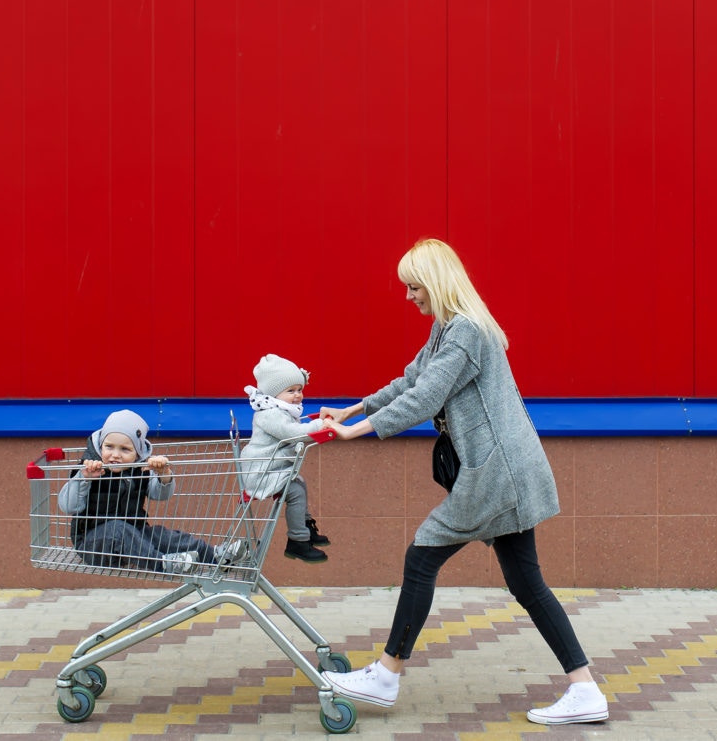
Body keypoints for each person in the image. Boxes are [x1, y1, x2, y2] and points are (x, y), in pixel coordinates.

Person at [319, 239, 608, 725]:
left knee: (422, 555)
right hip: (505, 472)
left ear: (434, 282)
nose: (408, 296)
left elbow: (424, 398)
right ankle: (585, 689)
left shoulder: (466, 334)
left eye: (413, 286)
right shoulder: (446, 331)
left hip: (496, 475)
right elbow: (410, 381)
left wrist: (354, 432)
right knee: (527, 582)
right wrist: (352, 408)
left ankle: (387, 673)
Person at [57, 409, 243, 573]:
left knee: (161, 536)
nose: (115, 455)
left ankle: (216, 556)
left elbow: (160, 495)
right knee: (117, 529)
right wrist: (84, 478)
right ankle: (162, 564)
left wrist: (163, 473)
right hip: (94, 545)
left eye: (125, 449)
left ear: (138, 454)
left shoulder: (140, 470)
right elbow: (68, 506)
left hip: (132, 538)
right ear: (100, 445)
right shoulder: (89, 468)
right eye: (109, 447)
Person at [241, 353, 333, 563]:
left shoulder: (278, 411)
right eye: (290, 391)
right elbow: (292, 433)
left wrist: (315, 423)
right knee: (295, 492)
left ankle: (305, 528)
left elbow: (293, 427)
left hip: (270, 469)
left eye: (299, 389)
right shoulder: (270, 414)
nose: (297, 395)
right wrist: (320, 426)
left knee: (299, 483)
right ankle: (297, 541)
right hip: (261, 472)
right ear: (273, 394)